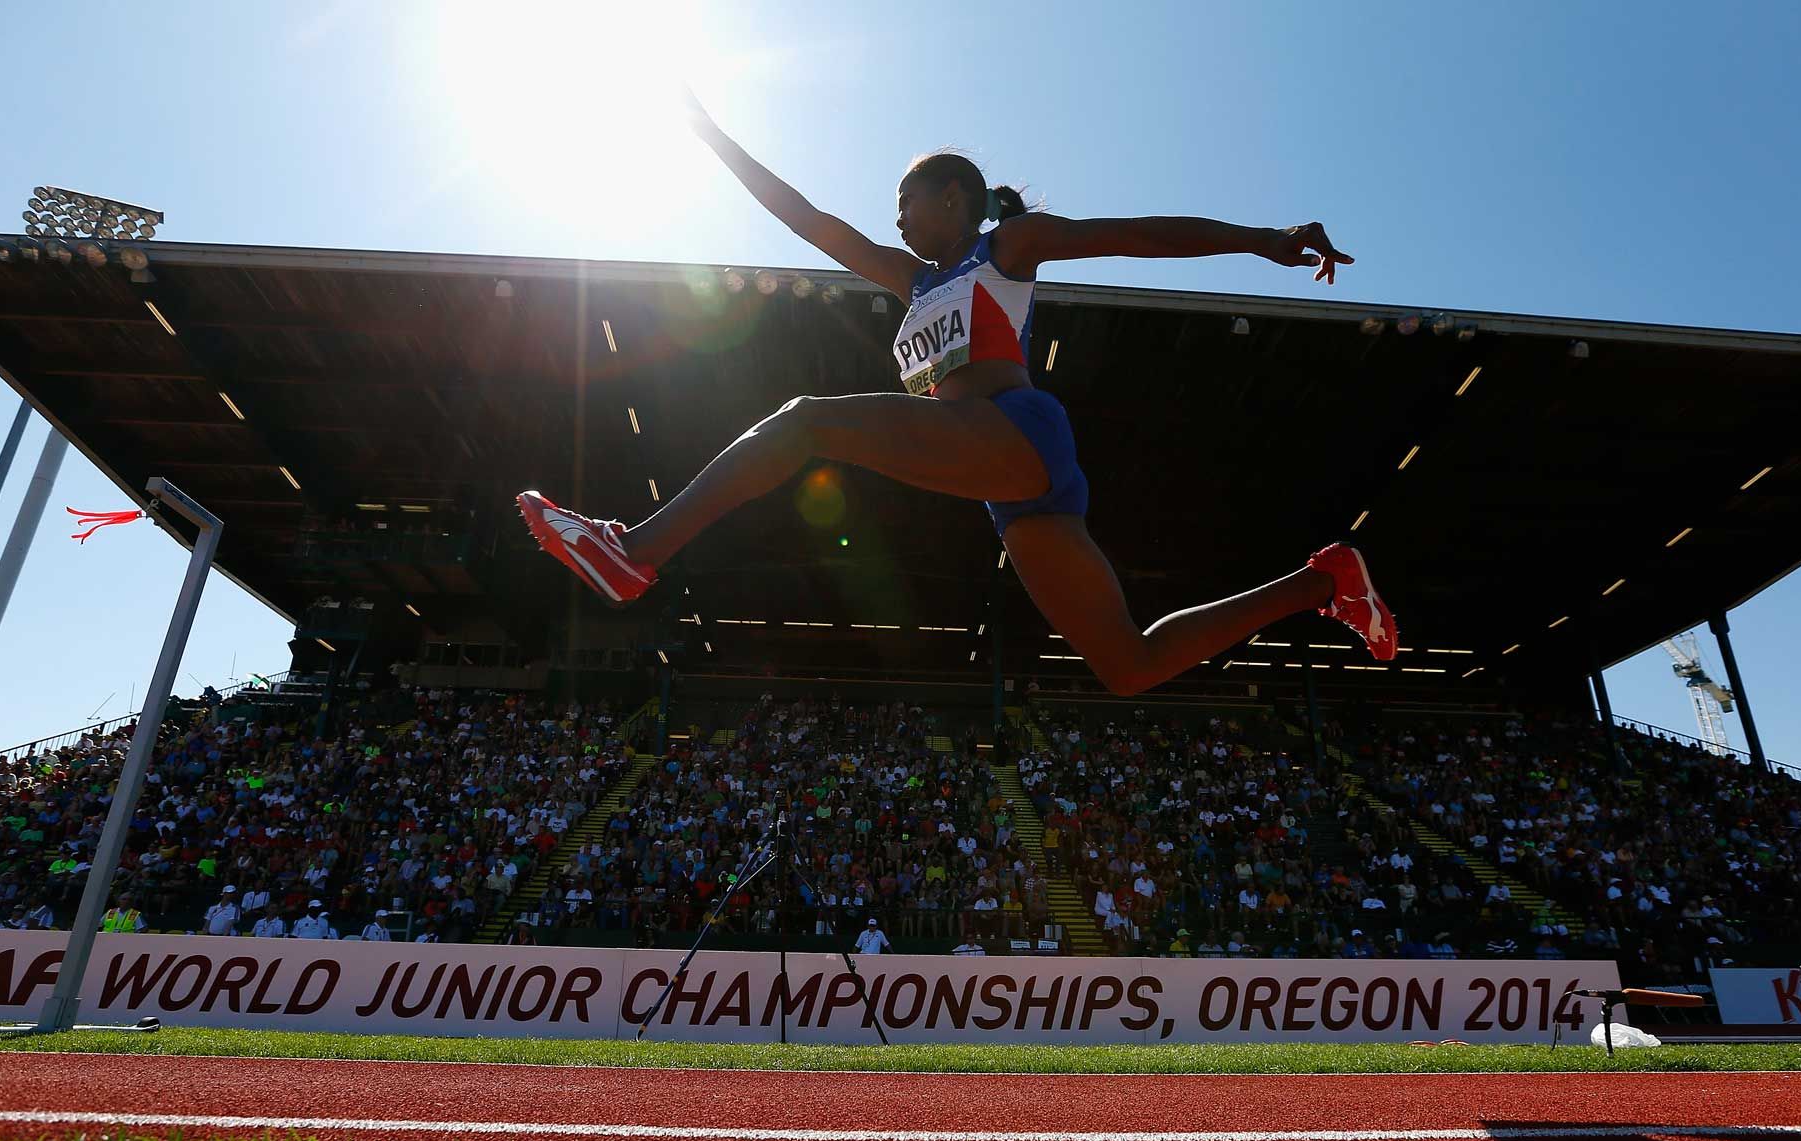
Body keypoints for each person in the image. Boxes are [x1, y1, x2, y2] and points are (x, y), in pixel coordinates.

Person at [516, 92, 1396, 697]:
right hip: (1009, 488)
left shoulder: (1008, 246)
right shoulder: (911, 280)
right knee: (1126, 666)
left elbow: (1138, 234)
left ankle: (635, 548)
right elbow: (811, 220)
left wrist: (1265, 240)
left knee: (807, 424)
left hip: (1015, 431)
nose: (894, 220)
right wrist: (711, 138)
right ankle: (1324, 583)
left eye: (906, 203)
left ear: (952, 199)